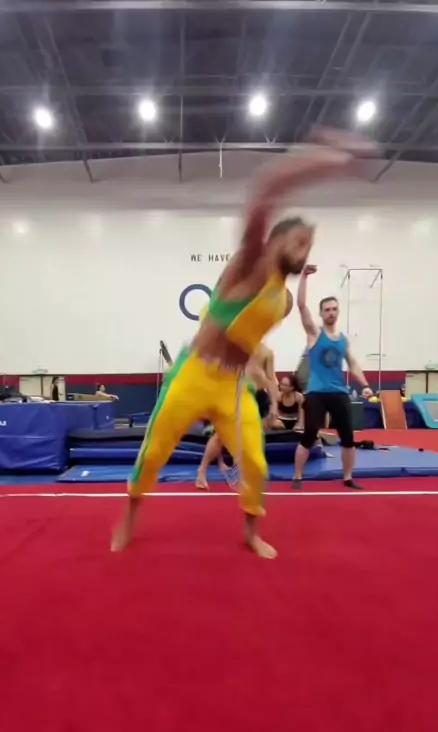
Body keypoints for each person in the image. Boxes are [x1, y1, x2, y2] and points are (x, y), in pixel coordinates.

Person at [112, 129, 373, 559]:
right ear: (275, 241)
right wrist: (327, 161)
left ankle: (251, 532)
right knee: (155, 449)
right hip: (194, 372)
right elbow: (265, 192)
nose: (304, 250)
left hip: (233, 387)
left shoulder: (283, 302)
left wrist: (263, 385)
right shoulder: (250, 263)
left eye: (309, 245)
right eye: (299, 240)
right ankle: (130, 515)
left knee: (255, 461)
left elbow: (248, 344)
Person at [292, 264, 372, 490]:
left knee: (347, 437)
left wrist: (365, 385)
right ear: (321, 313)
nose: (331, 312)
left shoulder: (343, 340)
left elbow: (353, 364)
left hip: (339, 392)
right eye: (327, 309)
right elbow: (301, 305)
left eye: (334, 309)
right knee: (309, 435)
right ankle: (297, 475)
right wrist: (304, 277)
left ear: (338, 312)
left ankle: (347, 477)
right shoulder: (314, 334)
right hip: (316, 393)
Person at [195, 342, 279, 490]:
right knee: (220, 436)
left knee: (254, 435)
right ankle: (202, 470)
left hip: (256, 395)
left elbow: (271, 379)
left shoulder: (267, 352)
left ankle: (242, 472)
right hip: (234, 394)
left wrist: (274, 405)